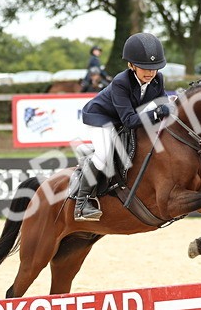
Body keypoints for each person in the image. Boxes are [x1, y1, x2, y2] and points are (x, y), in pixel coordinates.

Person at [71, 32, 170, 221]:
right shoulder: (121, 82)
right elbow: (130, 121)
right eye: (144, 68)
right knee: (104, 156)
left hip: (123, 117)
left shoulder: (157, 79)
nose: (150, 73)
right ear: (131, 65)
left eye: (154, 68)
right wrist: (158, 113)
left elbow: (162, 102)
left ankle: (90, 151)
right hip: (100, 117)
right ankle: (81, 203)